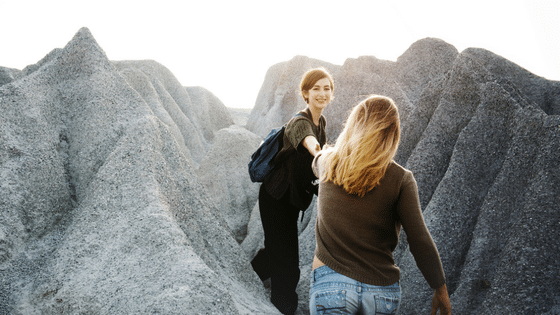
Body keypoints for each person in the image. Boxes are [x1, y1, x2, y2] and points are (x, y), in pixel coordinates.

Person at [309, 95, 451, 315]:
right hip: (380, 292)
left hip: (331, 283)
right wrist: (440, 289)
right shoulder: (401, 179)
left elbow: (316, 161)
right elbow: (419, 239)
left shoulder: (328, 162)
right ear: (392, 133)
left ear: (354, 124)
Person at [251, 67, 334, 315]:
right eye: (316, 88)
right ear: (305, 93)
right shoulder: (300, 122)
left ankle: (247, 276)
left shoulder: (321, 122)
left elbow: (310, 171)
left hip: (290, 201)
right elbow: (310, 143)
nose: (322, 93)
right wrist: (320, 154)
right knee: (288, 263)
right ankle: (284, 308)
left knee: (279, 250)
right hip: (276, 198)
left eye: (327, 88)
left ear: (332, 93)